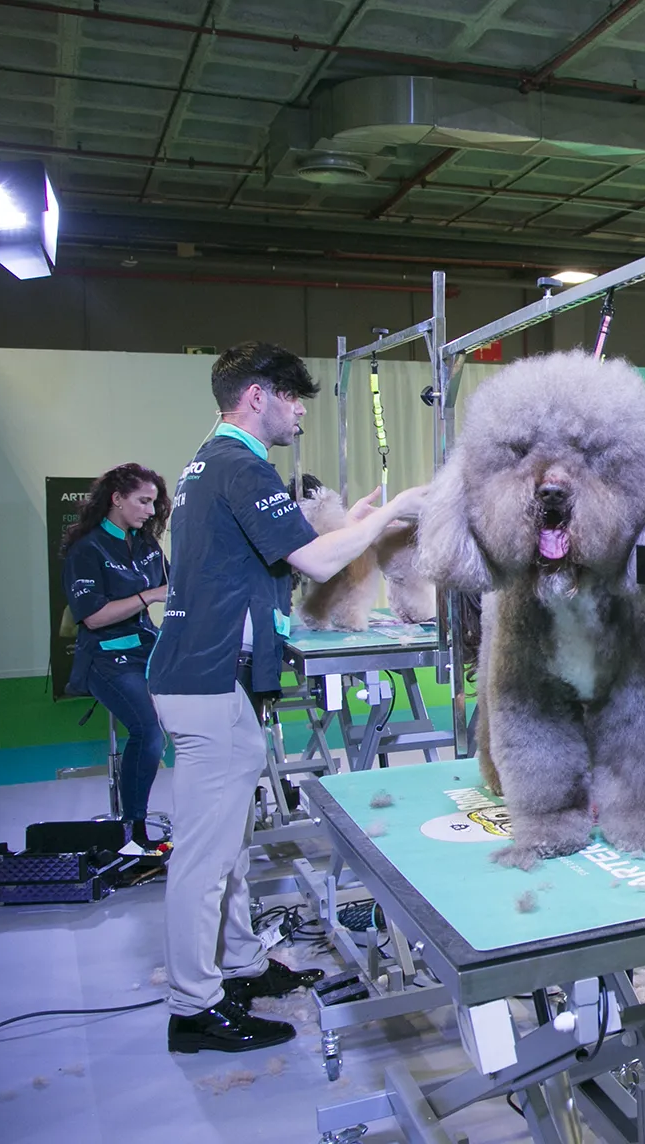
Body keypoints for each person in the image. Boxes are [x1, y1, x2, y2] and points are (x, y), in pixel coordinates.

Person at [149, 343, 428, 1054]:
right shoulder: (241, 466)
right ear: (255, 398)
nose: (300, 409)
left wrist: (355, 520)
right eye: (292, 396)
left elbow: (296, 546)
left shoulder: (210, 464)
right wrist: (395, 509)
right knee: (205, 858)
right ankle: (194, 1006)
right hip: (205, 682)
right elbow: (317, 560)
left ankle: (238, 963)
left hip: (212, 679)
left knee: (229, 845)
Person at [61, 463, 172, 857]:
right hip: (105, 659)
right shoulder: (86, 549)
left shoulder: (146, 546)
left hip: (148, 649)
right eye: (143, 502)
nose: (149, 511)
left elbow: (175, 590)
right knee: (148, 731)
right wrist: (150, 596)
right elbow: (92, 616)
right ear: (117, 499)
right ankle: (134, 829)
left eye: (154, 503)